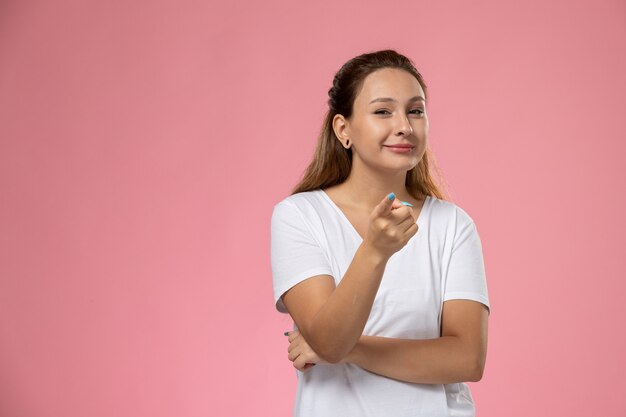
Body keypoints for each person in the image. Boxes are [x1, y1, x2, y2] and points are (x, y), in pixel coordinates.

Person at [270, 49, 491, 417]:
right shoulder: (299, 216)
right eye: (382, 111)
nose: (403, 125)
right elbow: (328, 338)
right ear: (344, 130)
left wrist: (349, 349)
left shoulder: (453, 225)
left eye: (415, 110)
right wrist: (374, 251)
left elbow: (467, 358)